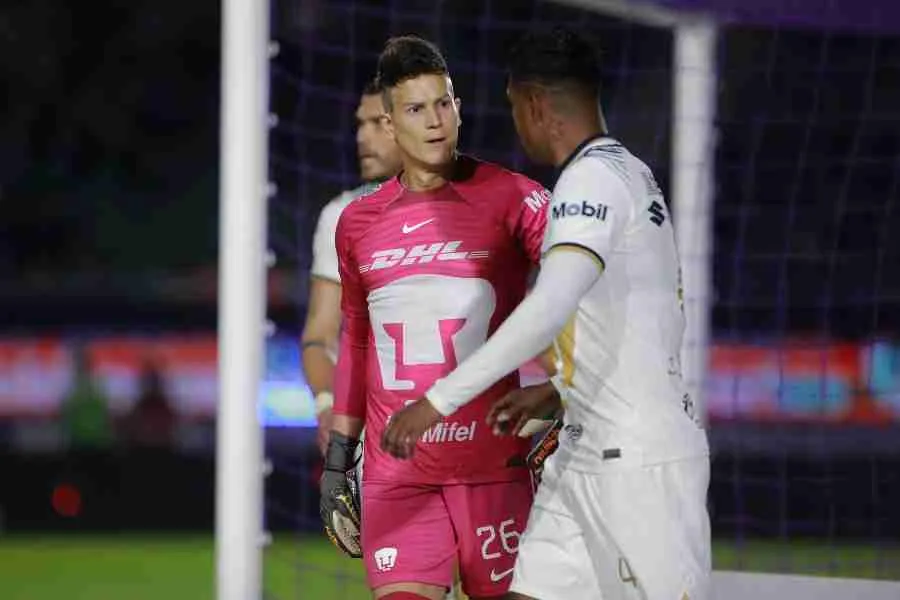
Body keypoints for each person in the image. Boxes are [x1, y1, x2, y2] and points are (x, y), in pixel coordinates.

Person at [384, 27, 712, 600]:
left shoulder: (592, 181)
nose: (516, 124)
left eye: (514, 108)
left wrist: (438, 400)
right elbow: (628, 315)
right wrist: (559, 389)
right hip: (586, 449)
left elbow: (552, 302)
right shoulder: (626, 172)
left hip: (638, 464)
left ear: (535, 104)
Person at [319, 35, 551, 600]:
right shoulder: (355, 222)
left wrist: (563, 396)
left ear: (460, 109)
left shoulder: (515, 198)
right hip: (398, 477)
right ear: (392, 125)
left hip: (494, 471)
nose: (435, 121)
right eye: (417, 109)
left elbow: (586, 291)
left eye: (444, 103)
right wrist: (336, 462)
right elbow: (356, 345)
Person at [302, 79, 403, 456]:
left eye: (378, 124)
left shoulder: (470, 208)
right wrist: (328, 405)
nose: (363, 137)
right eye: (360, 125)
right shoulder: (340, 216)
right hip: (373, 435)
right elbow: (319, 335)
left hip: (456, 428)